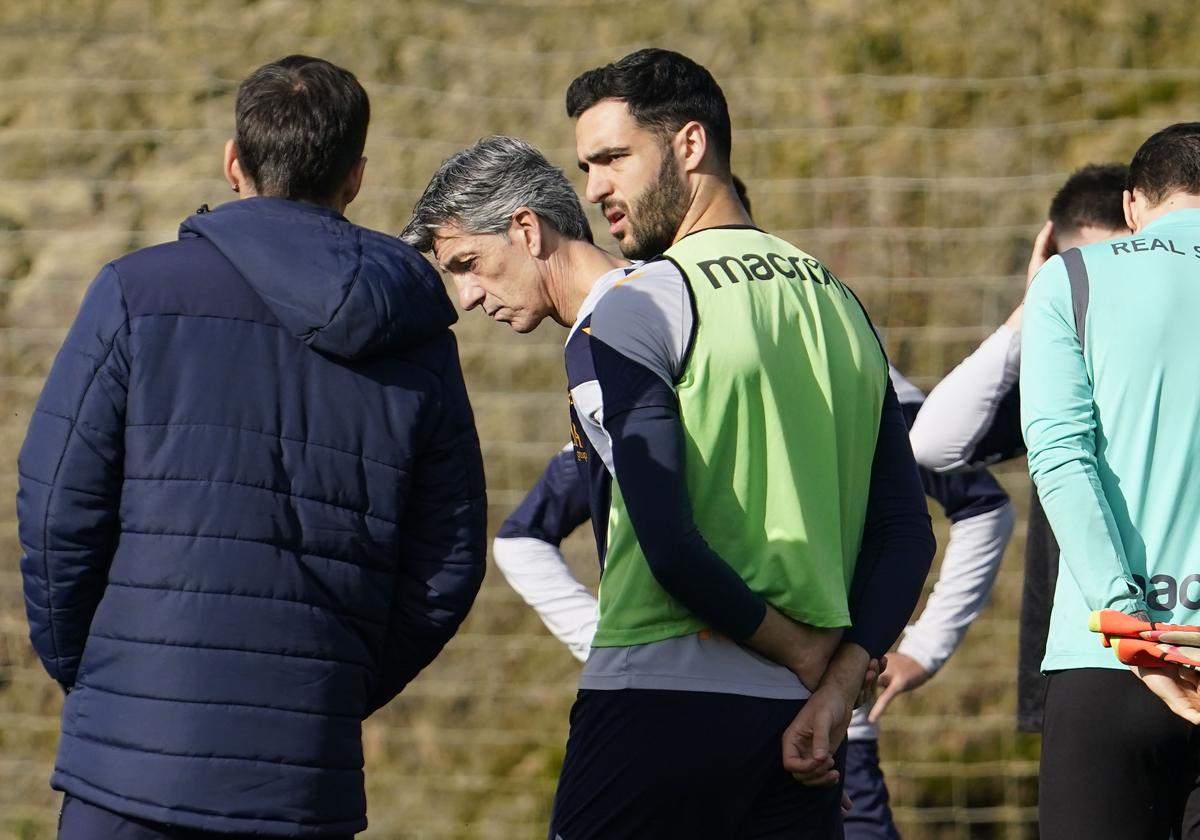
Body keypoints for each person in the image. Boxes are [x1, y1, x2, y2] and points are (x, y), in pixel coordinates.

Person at [404, 51, 934, 839]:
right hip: (799, 721)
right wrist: (836, 678)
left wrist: (801, 653)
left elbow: (669, 546)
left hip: (659, 696)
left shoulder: (638, 304)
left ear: (690, 145)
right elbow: (907, 532)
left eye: (613, 158)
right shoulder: (840, 303)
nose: (593, 190)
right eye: (587, 166)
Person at [17, 55, 487, 839]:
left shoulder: (136, 293)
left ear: (233, 161)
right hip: (301, 777)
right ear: (356, 176)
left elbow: (54, 509)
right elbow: (447, 564)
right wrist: (332, 685)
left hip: (129, 768)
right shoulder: (416, 336)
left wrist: (101, 673)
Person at [495, 364, 1012, 839]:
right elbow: (522, 538)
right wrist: (615, 642)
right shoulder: (671, 372)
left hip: (822, 724)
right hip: (678, 713)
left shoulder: (853, 363)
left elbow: (977, 506)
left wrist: (923, 648)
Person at [1021, 123, 1200, 839]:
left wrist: (1132, 630)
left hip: (1108, 657)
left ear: (1131, 205)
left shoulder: (1074, 277)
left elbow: (1061, 458)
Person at [907, 164, 1130, 733]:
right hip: (1086, 658)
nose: (1100, 288)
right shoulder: (1054, 368)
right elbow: (933, 443)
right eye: (1083, 269)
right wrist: (1036, 308)